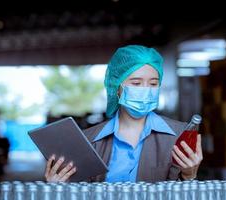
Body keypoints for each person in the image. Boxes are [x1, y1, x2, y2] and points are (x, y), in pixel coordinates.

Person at [44, 45, 203, 182]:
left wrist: (189, 175)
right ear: (116, 88)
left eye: (153, 83)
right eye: (136, 83)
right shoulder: (88, 140)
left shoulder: (180, 135)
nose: (146, 90)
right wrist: (59, 187)